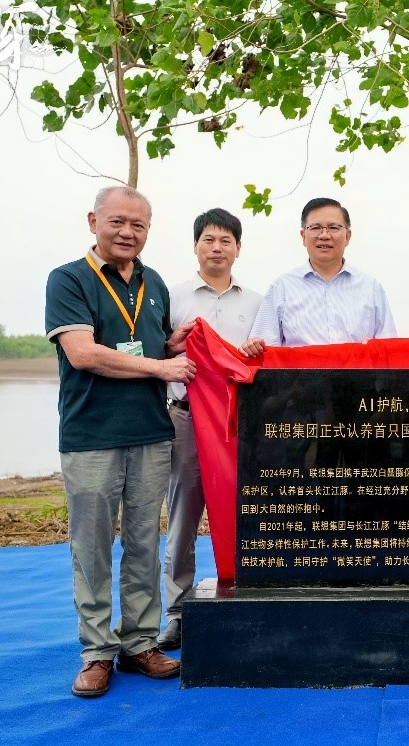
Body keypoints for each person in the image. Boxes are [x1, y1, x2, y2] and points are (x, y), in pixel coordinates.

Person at [44, 186, 195, 698]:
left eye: (139, 225)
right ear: (94, 221)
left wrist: (172, 346)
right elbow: (84, 354)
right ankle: (96, 652)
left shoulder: (155, 283)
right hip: (92, 435)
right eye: (118, 222)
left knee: (144, 543)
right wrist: (161, 366)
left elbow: (148, 345)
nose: (128, 233)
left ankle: (139, 643)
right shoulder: (68, 279)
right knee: (91, 546)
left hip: (151, 432)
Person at [156, 209, 265, 652]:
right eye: (208, 239)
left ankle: (247, 597)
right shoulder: (170, 297)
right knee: (183, 515)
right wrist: (171, 347)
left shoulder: (257, 302)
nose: (217, 248)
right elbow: (157, 353)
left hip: (241, 424)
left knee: (246, 512)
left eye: (225, 241)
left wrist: (255, 351)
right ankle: (177, 612)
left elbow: (267, 356)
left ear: (238, 248)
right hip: (185, 417)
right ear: (195, 245)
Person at [248, 197, 396, 345]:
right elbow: (265, 347)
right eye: (315, 228)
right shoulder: (282, 288)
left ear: (347, 236)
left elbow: (389, 347)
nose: (324, 235)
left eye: (333, 227)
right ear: (303, 236)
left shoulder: (371, 287)